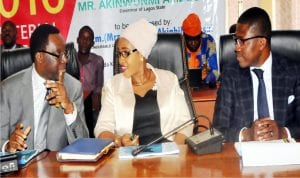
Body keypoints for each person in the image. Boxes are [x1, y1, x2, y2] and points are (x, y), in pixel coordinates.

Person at [94, 19, 193, 147]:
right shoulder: (113, 86)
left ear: (141, 53)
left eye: (125, 53)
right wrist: (118, 141)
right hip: (129, 159)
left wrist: (174, 150)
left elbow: (186, 123)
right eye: (119, 54)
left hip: (168, 156)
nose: (120, 60)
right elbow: (102, 128)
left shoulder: (169, 79)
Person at [213, 7, 300, 142]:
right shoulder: (231, 74)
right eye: (235, 40)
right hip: (244, 155)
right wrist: (246, 134)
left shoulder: (293, 72)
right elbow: (218, 129)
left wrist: (283, 132)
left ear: (261, 43)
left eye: (242, 41)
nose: (236, 47)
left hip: (284, 152)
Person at [0, 24, 89, 153]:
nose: (65, 60)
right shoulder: (8, 89)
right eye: (58, 55)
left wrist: (69, 107)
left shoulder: (73, 88)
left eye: (65, 54)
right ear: (40, 57)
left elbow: (84, 146)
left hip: (57, 169)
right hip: (23, 170)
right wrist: (7, 146)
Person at [76, 25, 104, 138]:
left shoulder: (97, 61)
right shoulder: (69, 59)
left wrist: (95, 108)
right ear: (78, 40)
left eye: (88, 39)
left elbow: (98, 86)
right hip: (74, 103)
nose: (85, 42)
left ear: (92, 43)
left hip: (90, 104)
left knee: (93, 135)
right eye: (82, 38)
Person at [182, 13, 219, 88]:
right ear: (184, 37)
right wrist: (197, 78)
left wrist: (206, 78)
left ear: (200, 35)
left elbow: (215, 72)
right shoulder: (178, 44)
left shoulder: (209, 41)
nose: (193, 43)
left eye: (196, 39)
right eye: (189, 39)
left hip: (204, 89)